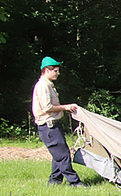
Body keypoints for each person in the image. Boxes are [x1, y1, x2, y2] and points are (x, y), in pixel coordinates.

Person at [31, 56, 84, 187]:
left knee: (59, 153)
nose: (58, 73)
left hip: (53, 125)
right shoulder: (43, 86)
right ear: (47, 70)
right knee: (63, 155)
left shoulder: (49, 85)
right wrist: (66, 107)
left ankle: (54, 181)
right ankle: (74, 182)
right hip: (48, 126)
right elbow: (47, 107)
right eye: (55, 70)